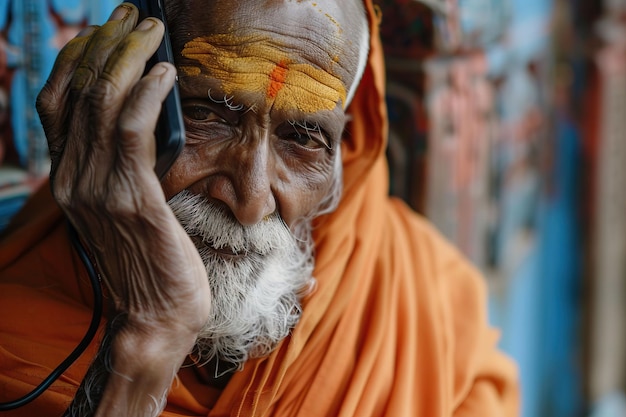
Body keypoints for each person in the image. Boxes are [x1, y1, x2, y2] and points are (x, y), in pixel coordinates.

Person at [0, 0, 519, 415]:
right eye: (208, 115)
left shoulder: (428, 296)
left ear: (347, 155)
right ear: (128, 100)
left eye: (304, 138)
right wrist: (149, 335)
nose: (249, 199)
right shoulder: (17, 334)